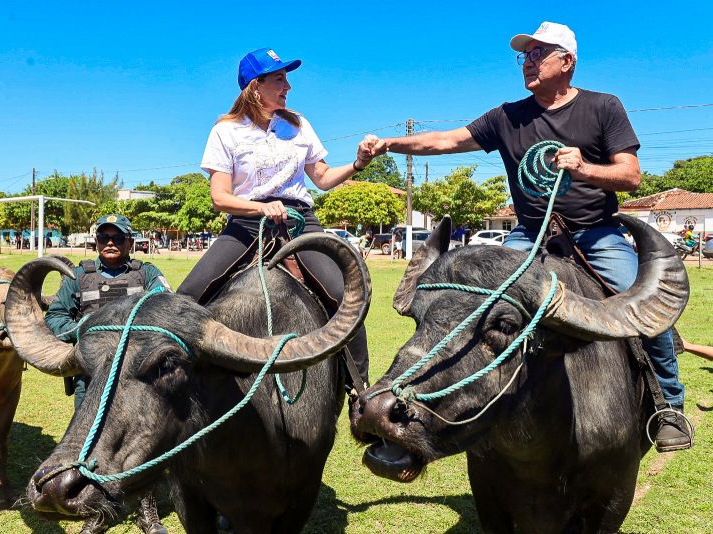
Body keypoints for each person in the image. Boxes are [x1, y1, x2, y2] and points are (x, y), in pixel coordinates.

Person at [360, 21, 691, 452]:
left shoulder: (603, 106)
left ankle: (668, 405)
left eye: (539, 54)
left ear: (567, 62)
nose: (528, 63)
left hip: (596, 234)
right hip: (529, 236)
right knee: (476, 302)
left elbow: (630, 175)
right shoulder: (507, 116)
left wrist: (583, 168)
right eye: (525, 56)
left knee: (645, 304)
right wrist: (388, 144)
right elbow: (446, 140)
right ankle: (478, 402)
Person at [177, 46, 376, 392]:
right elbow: (220, 197)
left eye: (286, 79)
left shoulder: (299, 125)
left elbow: (323, 178)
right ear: (256, 86)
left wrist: (359, 163)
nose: (288, 87)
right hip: (247, 223)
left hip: (300, 221)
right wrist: (260, 208)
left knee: (347, 296)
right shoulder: (226, 131)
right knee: (186, 297)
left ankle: (360, 392)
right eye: (279, 79)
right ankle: (178, 383)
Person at [45, 214, 171, 534]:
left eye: (118, 237)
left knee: (144, 441)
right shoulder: (79, 276)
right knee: (89, 443)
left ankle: (147, 512)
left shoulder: (148, 274)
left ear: (131, 242)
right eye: (104, 238)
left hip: (138, 379)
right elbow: (56, 315)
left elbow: (167, 307)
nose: (110, 243)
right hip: (92, 378)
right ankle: (95, 513)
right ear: (96, 242)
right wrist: (80, 335)